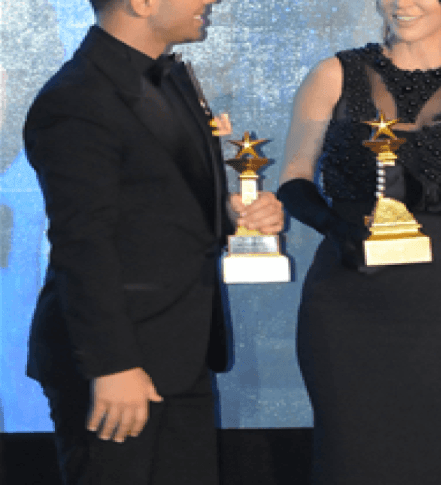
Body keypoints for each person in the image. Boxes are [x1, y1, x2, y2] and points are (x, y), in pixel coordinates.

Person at [22, 0, 284, 482]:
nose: (210, 1)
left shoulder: (168, 79)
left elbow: (157, 203)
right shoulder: (76, 98)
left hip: (180, 351)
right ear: (141, 3)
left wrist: (234, 215)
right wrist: (112, 366)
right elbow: (82, 243)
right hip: (116, 366)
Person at [276, 0, 441, 483]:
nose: (400, 3)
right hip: (348, 297)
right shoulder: (334, 74)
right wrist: (335, 228)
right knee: (351, 455)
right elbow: (294, 177)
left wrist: (431, 194)